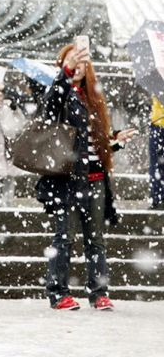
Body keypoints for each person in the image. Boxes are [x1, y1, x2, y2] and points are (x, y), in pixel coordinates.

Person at [36, 42, 137, 311]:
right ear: (63, 65)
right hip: (68, 180)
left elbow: (94, 145)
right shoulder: (59, 93)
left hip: (95, 180)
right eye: (72, 60)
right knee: (64, 238)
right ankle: (58, 292)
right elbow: (50, 109)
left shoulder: (92, 97)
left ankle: (98, 292)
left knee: (96, 240)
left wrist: (115, 141)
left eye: (82, 60)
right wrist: (66, 75)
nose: (78, 65)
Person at [149, 94, 164, 209]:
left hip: (158, 126)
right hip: (158, 125)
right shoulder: (158, 81)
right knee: (156, 164)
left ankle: (157, 197)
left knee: (156, 165)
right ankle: (157, 197)